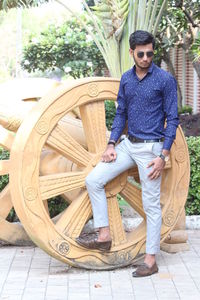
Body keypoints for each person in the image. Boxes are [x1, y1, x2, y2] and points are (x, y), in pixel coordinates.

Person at [76, 30, 179, 277]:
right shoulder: (126, 79)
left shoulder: (164, 80)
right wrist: (111, 144)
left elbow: (173, 118)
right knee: (93, 179)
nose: (146, 58)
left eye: (150, 53)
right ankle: (104, 235)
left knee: (150, 206)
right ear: (132, 52)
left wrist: (162, 156)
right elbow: (121, 112)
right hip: (127, 146)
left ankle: (151, 260)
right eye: (141, 53)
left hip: (151, 150)